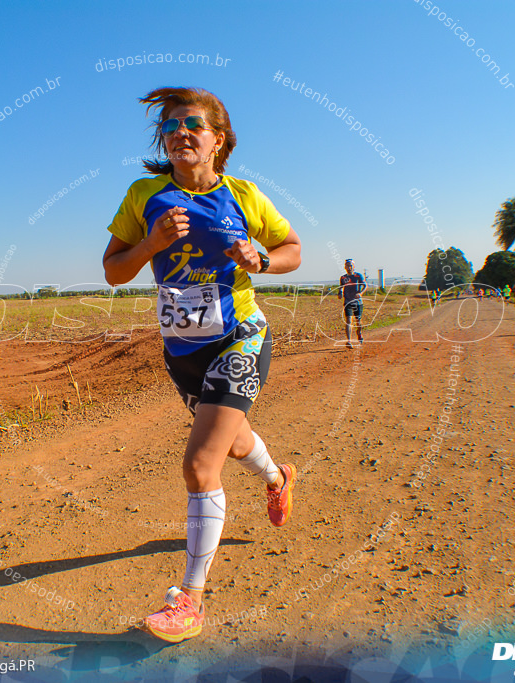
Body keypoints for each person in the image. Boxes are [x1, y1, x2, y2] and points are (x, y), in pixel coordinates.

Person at [101, 87, 303, 643]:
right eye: (171, 127)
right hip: (182, 352)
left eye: (193, 124)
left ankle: (189, 598)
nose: (180, 133)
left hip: (240, 336)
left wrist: (261, 258)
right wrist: (150, 243)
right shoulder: (144, 195)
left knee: (199, 464)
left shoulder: (244, 194)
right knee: (233, 444)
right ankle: (279, 476)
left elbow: (292, 250)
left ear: (219, 139)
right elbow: (115, 270)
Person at [338, 259, 367, 347]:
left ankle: (359, 333)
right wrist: (340, 293)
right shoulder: (343, 278)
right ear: (345, 267)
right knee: (348, 320)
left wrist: (360, 293)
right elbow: (341, 287)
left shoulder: (358, 276)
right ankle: (349, 341)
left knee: (358, 321)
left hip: (358, 302)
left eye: (351, 265)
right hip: (348, 302)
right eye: (347, 265)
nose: (349, 267)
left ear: (353, 266)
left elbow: (365, 285)